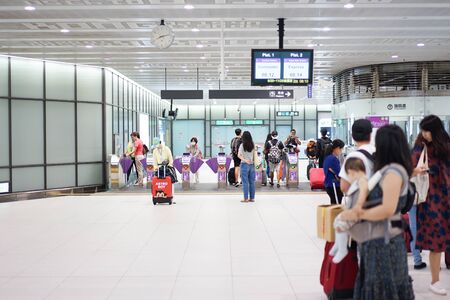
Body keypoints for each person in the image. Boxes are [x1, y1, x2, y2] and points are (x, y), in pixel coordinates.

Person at [340, 124, 415, 300]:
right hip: (376, 239)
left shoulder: (393, 172)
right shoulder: (386, 170)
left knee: (382, 288)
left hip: (384, 242)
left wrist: (358, 214)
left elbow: (387, 209)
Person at [412, 115, 449, 296]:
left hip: (446, 197)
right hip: (431, 200)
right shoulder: (421, 146)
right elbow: (408, 167)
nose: (424, 134)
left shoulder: (446, 146)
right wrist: (416, 170)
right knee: (437, 241)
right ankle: (435, 280)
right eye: (423, 130)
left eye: (427, 130)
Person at [329, 157, 367, 263]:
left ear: (352, 171)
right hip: (355, 211)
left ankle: (342, 249)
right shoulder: (358, 181)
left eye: (348, 174)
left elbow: (362, 194)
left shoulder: (363, 180)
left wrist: (357, 207)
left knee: (341, 223)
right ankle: (339, 244)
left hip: (357, 213)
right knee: (338, 220)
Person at [339, 119, 375, 194]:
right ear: (370, 134)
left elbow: (344, 187)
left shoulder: (353, 157)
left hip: (360, 202)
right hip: (379, 201)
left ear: (353, 136)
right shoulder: (377, 152)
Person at [323, 139, 345, 204]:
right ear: (337, 148)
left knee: (333, 205)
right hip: (334, 185)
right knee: (336, 206)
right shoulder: (333, 159)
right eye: (341, 149)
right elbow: (339, 174)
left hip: (328, 184)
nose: (341, 151)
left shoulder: (327, 158)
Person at [237, 131, 257, 203]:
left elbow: (239, 155)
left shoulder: (242, 145)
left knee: (245, 182)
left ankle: (246, 198)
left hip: (244, 165)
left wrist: (245, 160)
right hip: (252, 165)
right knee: (252, 182)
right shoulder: (253, 145)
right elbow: (255, 154)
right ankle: (252, 198)